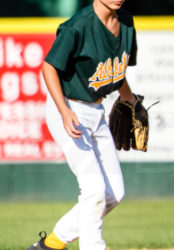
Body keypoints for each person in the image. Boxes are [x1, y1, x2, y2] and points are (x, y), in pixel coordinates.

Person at [27, 0, 138, 249]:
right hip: (69, 109)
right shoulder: (77, 26)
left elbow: (116, 70)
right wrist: (64, 111)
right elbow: (48, 68)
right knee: (95, 190)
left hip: (96, 110)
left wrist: (128, 98)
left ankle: (51, 244)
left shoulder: (127, 24)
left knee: (113, 194)